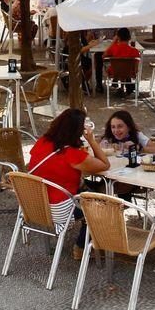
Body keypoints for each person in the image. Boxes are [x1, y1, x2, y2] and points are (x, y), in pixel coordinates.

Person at [27, 108, 110, 258]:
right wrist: (92, 140)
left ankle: (90, 238)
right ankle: (81, 247)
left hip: (34, 204)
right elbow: (105, 165)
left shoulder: (42, 142)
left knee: (89, 192)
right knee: (101, 204)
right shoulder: (72, 154)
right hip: (57, 210)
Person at [103, 27, 142, 95]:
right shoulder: (135, 51)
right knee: (125, 67)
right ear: (129, 38)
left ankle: (121, 88)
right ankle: (122, 88)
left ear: (118, 37)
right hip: (129, 73)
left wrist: (113, 42)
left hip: (115, 72)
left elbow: (103, 56)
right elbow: (136, 68)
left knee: (118, 66)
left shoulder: (114, 48)